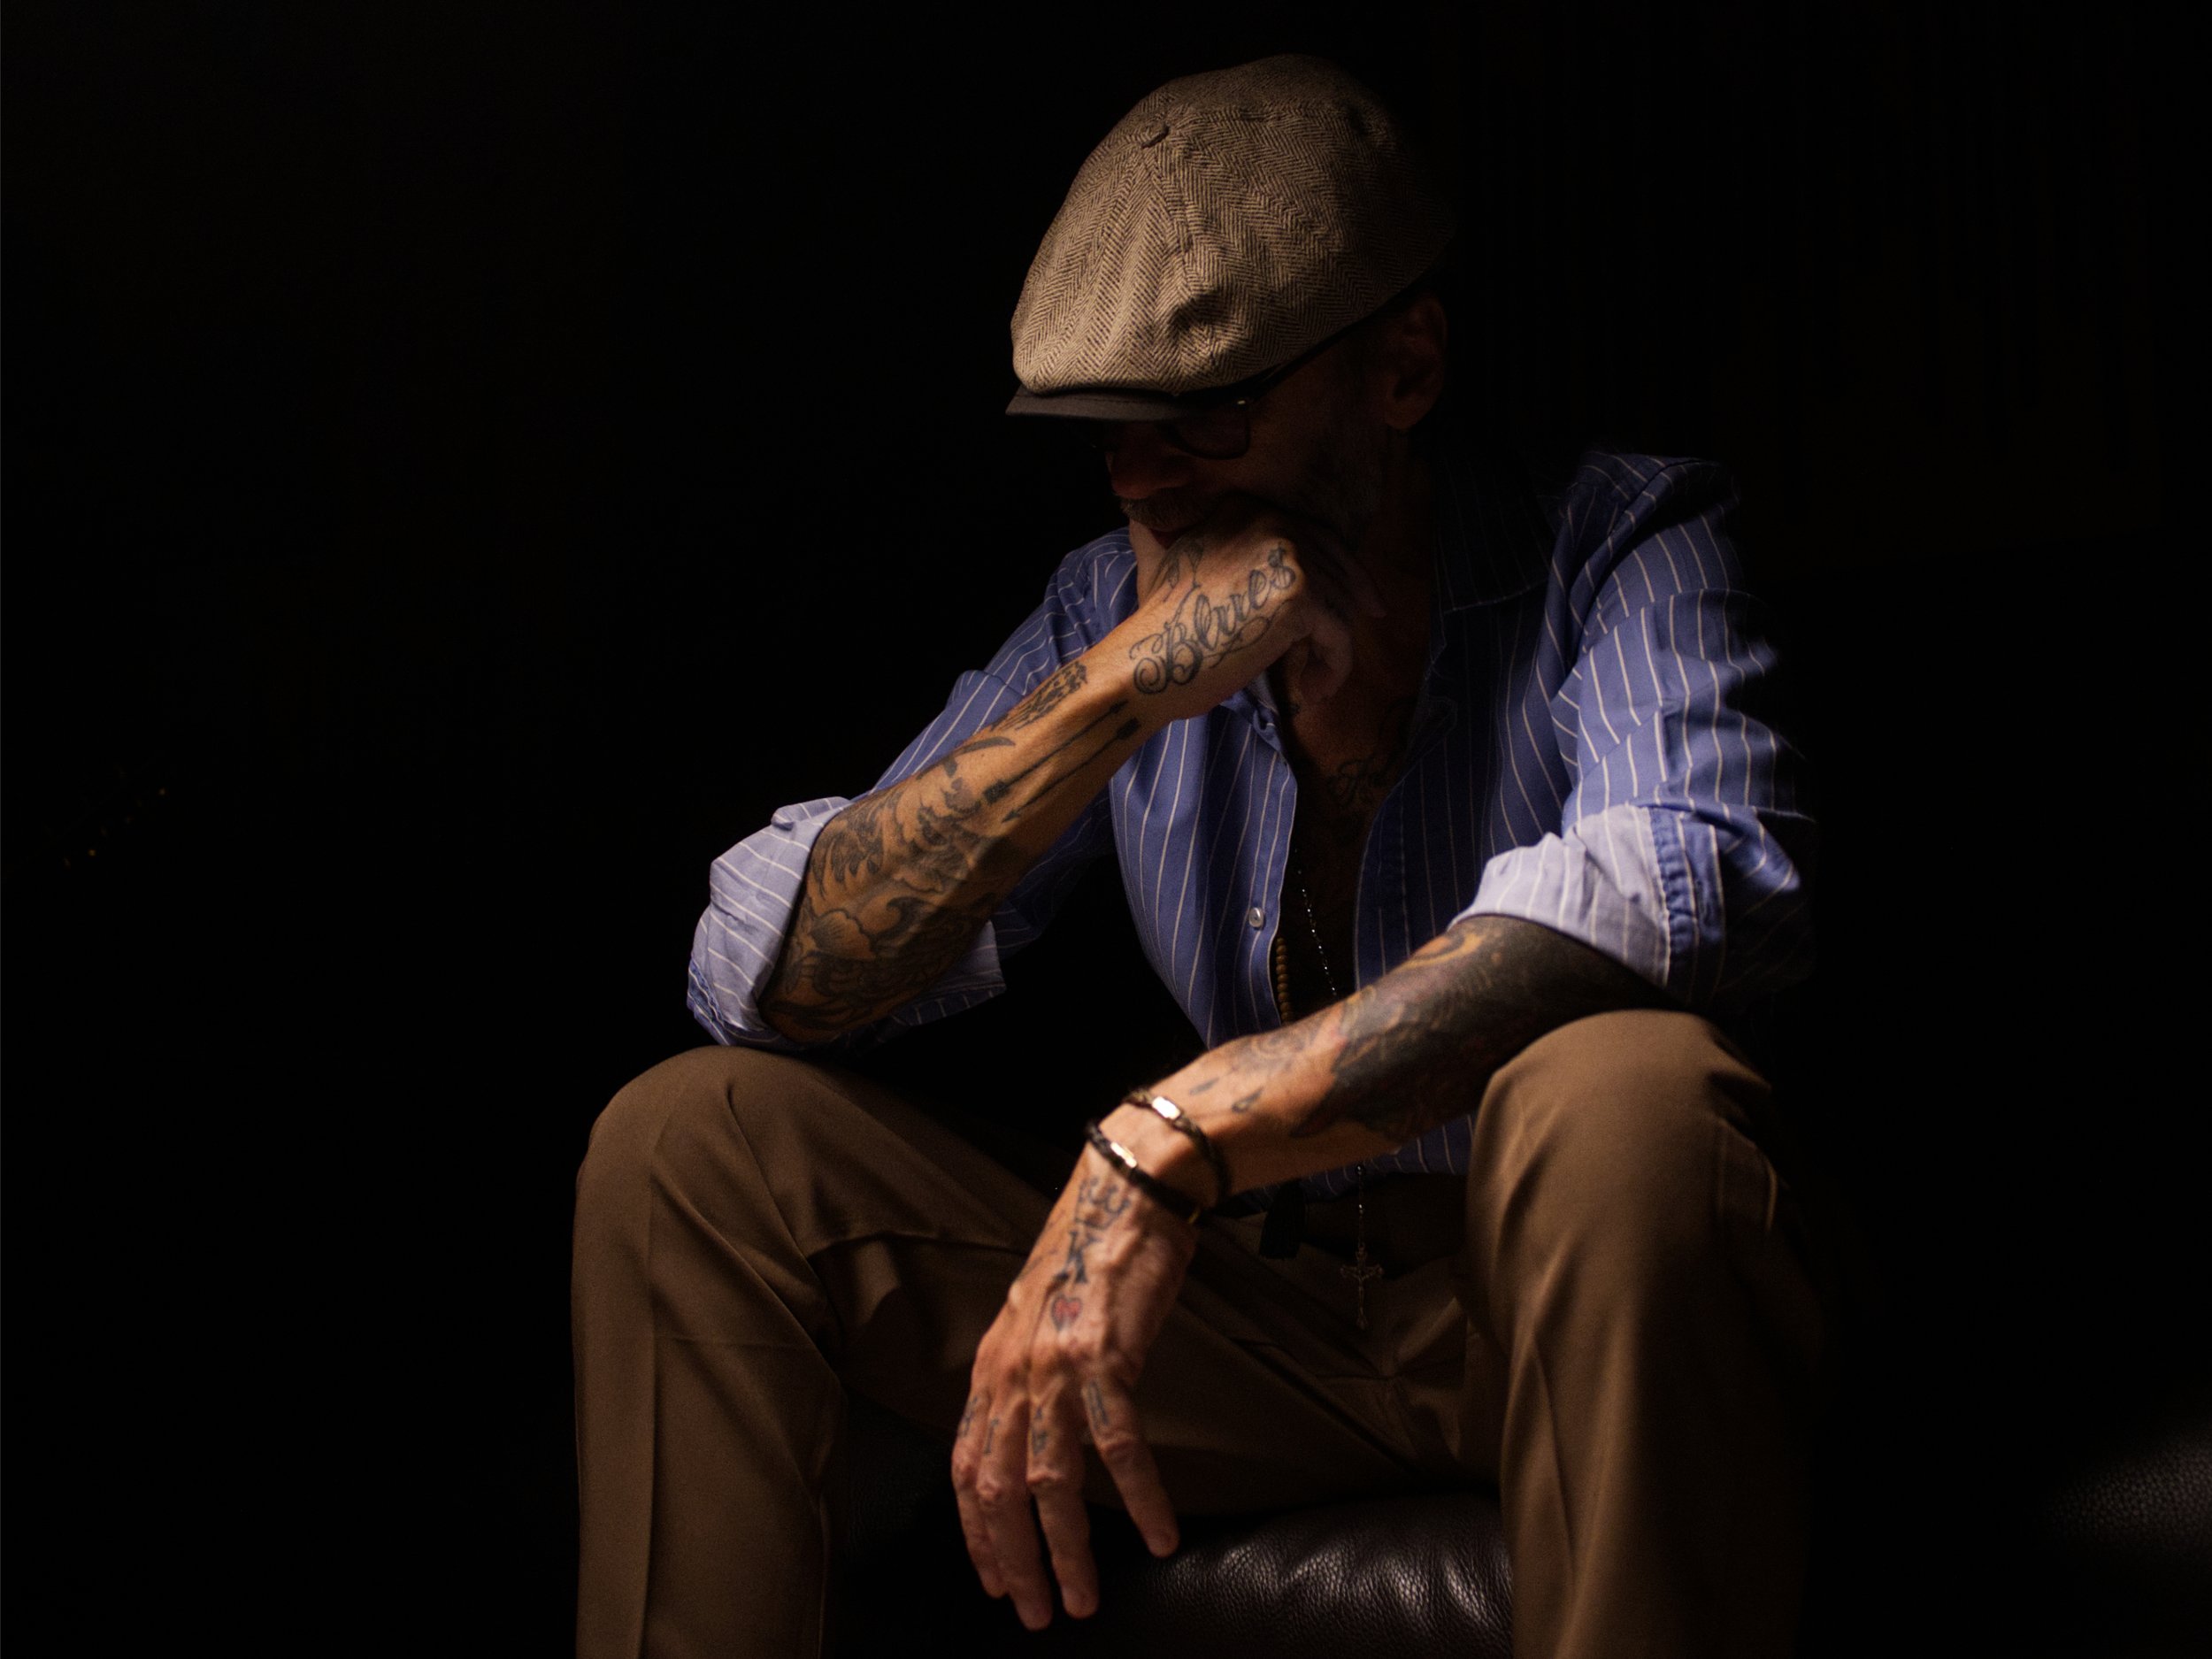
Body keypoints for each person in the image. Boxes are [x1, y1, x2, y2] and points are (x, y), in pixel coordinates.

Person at [573, 53, 1829, 1659]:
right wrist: (1115, 694)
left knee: (1627, 1096)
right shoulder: (1118, 603)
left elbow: (1693, 872)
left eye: (1210, 418)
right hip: (1267, 1331)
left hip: (1571, 1303)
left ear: (1405, 367)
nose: (1154, 485)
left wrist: (1170, 1137)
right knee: (693, 1145)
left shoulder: (1623, 540)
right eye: (1111, 438)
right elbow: (766, 979)